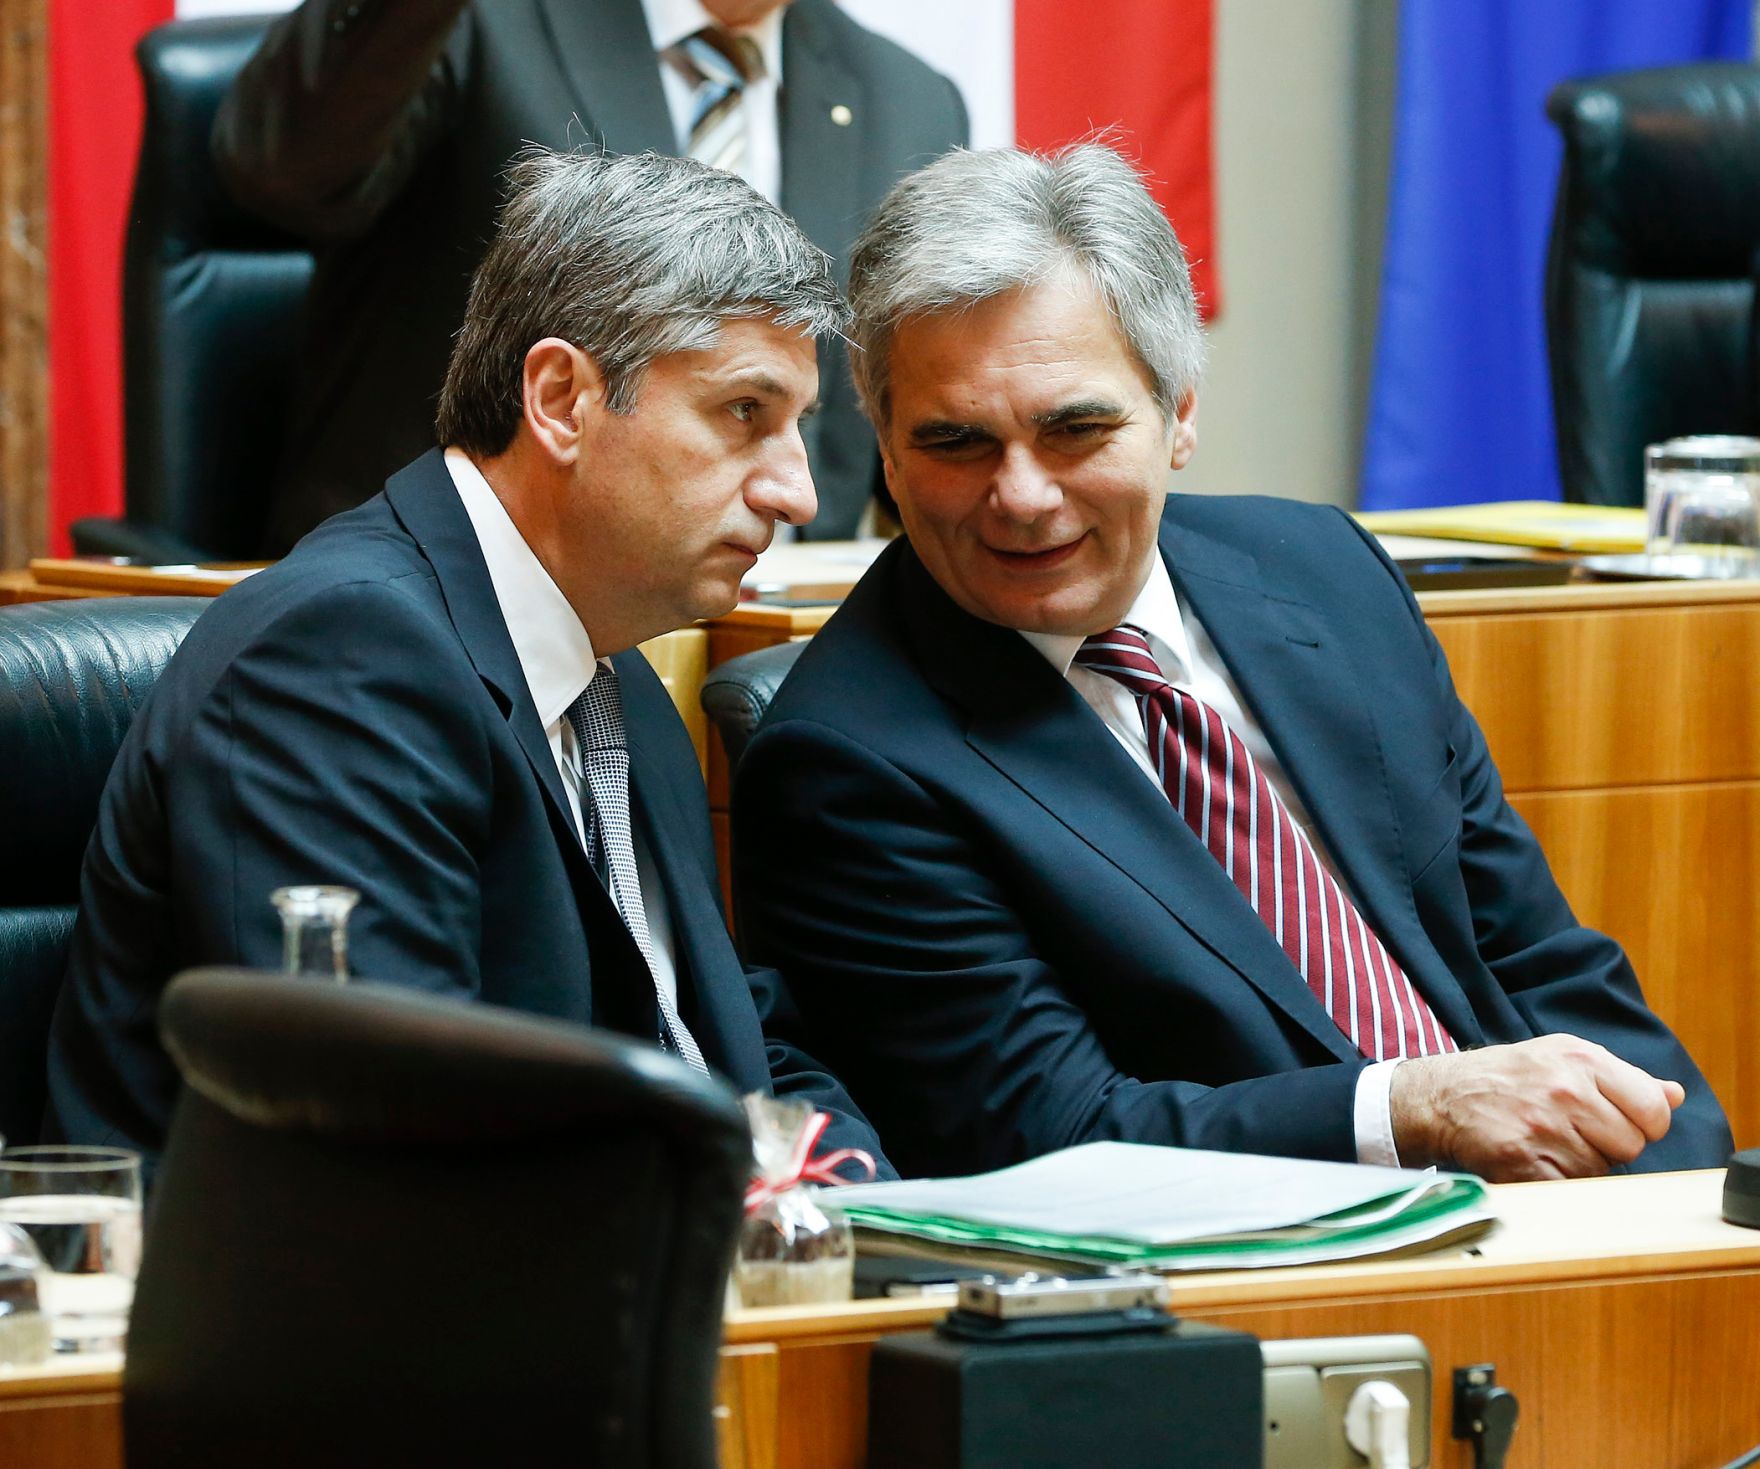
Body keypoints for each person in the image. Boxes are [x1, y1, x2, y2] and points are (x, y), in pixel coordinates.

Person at [732, 143, 1732, 1183]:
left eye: (1075, 429)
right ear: (888, 453)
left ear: (1179, 413)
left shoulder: (1322, 572)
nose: (1021, 496)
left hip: (1565, 1226)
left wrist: (1679, 1188)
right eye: (956, 443)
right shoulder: (845, 759)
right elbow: (1050, 1135)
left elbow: (1533, 956)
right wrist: (1413, 1110)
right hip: (1284, 1252)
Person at [47, 148, 887, 1176]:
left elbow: (729, 1042)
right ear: (561, 399)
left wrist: (866, 1206)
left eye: (797, 427)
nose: (797, 493)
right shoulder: (339, 662)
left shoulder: (616, 682)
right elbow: (391, 1135)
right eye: (744, 413)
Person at [213, 0, 967, 555]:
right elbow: (282, 175)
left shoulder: (910, 100)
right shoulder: (467, 20)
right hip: (448, 600)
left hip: (776, 635)